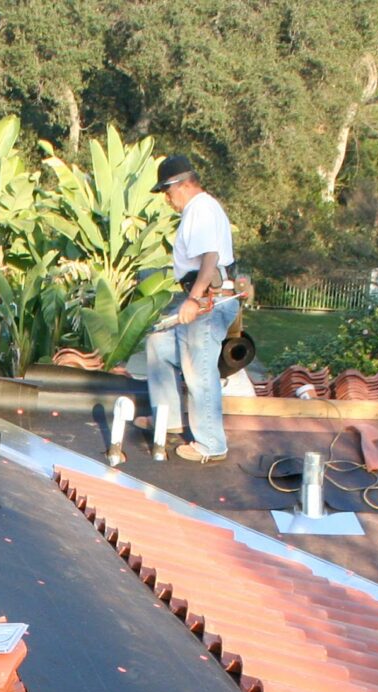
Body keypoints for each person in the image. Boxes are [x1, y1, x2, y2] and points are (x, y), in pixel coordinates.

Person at [143, 155, 238, 464]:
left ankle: (211, 444)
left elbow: (210, 259)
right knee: (159, 345)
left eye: (168, 193)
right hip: (203, 296)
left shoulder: (200, 209)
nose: (168, 201)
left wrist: (194, 300)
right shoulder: (200, 210)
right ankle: (168, 420)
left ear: (182, 186)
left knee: (199, 370)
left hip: (207, 301)